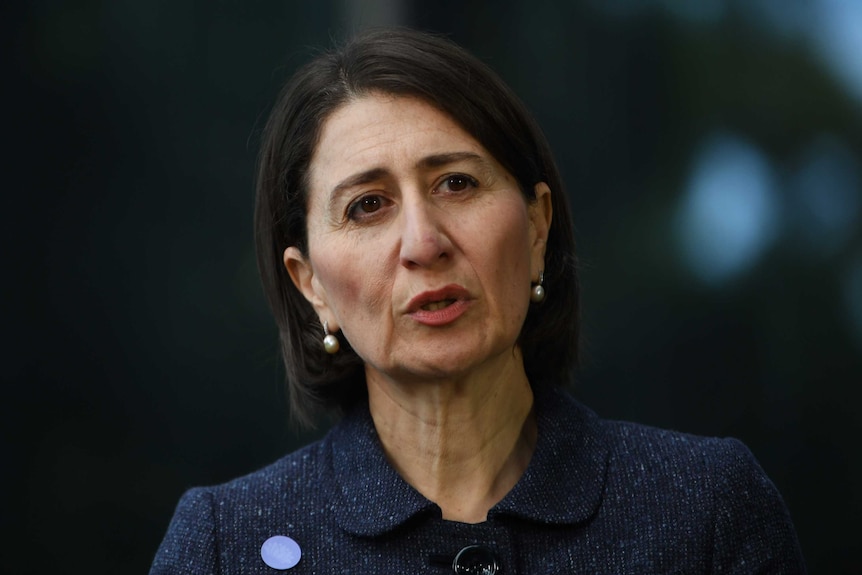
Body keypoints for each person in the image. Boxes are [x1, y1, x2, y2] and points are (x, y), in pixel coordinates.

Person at [150, 28, 806, 574]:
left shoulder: (707, 511)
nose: (423, 242)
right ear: (311, 284)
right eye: (367, 205)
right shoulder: (225, 545)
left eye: (457, 183)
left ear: (538, 226)